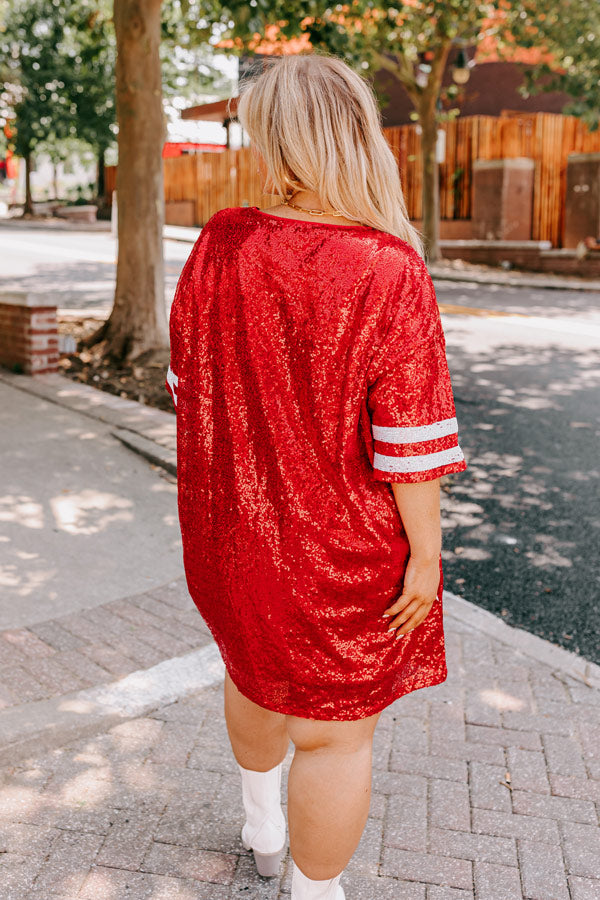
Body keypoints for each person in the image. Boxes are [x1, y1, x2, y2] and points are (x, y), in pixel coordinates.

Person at [165, 52, 467, 900]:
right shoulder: (387, 269)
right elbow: (409, 443)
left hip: (230, 537)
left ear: (278, 142)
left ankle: (263, 830)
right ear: (354, 133)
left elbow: (188, 393)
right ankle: (312, 888)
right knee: (335, 737)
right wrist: (426, 554)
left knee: (250, 672)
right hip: (339, 557)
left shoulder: (220, 243)